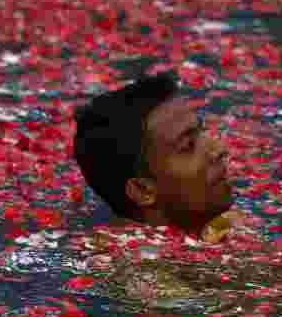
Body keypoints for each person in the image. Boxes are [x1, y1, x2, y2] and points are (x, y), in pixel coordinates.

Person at [73, 71, 234, 240]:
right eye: (189, 145)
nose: (221, 149)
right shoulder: (153, 264)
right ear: (143, 190)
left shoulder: (217, 230)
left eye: (202, 131)